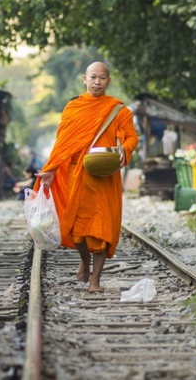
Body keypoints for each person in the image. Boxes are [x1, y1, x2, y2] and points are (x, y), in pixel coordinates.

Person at [34, 62, 139, 293]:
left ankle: (95, 281)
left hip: (105, 177)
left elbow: (131, 137)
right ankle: (84, 260)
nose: (97, 82)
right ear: (84, 79)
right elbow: (63, 143)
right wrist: (51, 169)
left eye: (102, 78)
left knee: (103, 229)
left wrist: (125, 148)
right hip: (78, 176)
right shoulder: (73, 108)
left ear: (108, 81)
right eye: (93, 77)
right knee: (77, 229)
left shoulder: (118, 110)